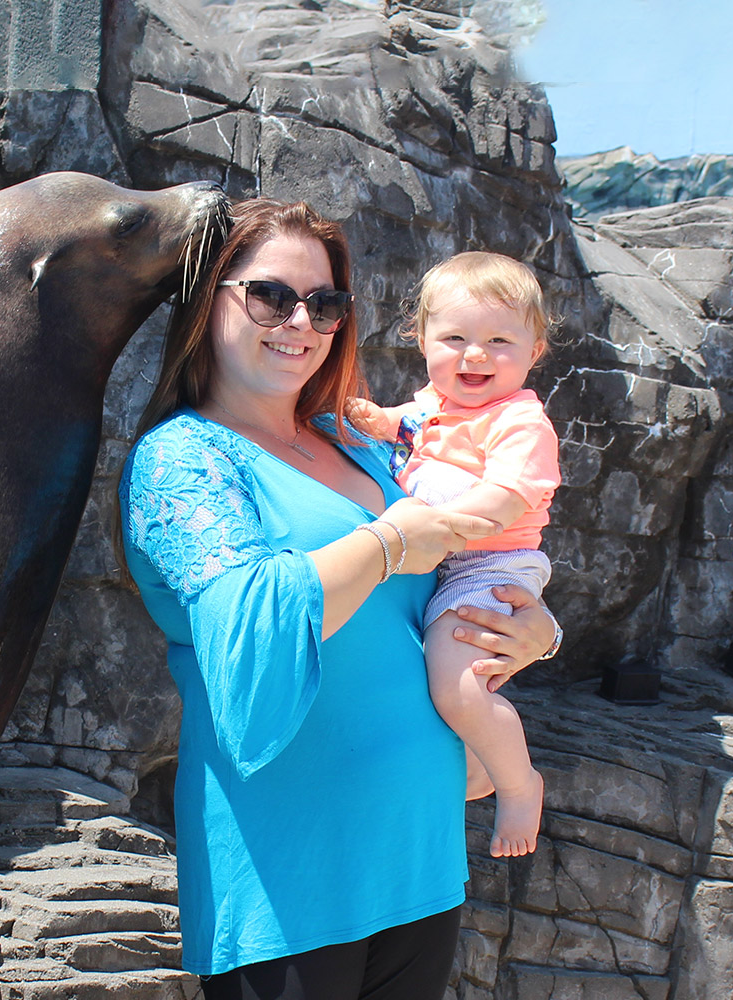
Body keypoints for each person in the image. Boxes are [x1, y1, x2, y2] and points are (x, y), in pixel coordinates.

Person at [121, 199, 562, 1000]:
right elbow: (252, 628)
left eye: (324, 303)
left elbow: (460, 569)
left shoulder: (358, 439)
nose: (300, 321)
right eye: (270, 297)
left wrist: (537, 628)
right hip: (290, 866)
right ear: (207, 300)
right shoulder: (182, 459)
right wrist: (388, 542)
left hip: (418, 849)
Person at [344, 252, 557, 858]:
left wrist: (431, 530)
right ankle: (472, 756)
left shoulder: (519, 419)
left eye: (499, 340)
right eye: (455, 337)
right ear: (421, 339)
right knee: (449, 678)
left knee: (460, 686)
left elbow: (506, 498)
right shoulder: (431, 405)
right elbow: (393, 425)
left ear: (534, 349)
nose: (475, 355)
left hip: (492, 563)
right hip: (450, 558)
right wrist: (365, 419)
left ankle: (517, 784)